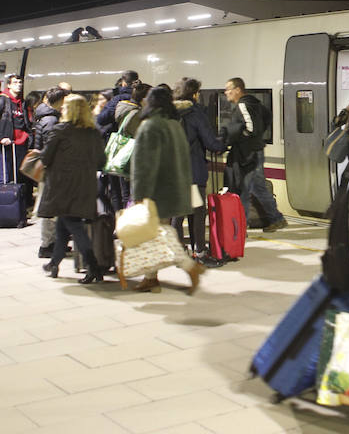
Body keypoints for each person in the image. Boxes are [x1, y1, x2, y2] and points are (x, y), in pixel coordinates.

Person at [126, 85, 204, 292]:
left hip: (155, 191)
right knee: (158, 233)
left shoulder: (149, 126)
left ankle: (188, 267)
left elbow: (143, 164)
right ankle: (151, 277)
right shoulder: (174, 124)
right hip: (173, 189)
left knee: (156, 234)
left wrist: (139, 195)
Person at [38, 95, 107, 283]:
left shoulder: (60, 130)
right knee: (64, 224)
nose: (62, 109)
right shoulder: (93, 132)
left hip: (63, 186)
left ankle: (93, 267)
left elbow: (45, 158)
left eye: (65, 107)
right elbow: (102, 161)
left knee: (75, 227)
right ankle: (54, 263)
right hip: (85, 185)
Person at [222, 78, 286, 232]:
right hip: (255, 151)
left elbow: (250, 128)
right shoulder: (255, 103)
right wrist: (258, 137)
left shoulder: (243, 104)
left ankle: (241, 229)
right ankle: (277, 219)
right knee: (258, 188)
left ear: (238, 89)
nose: (226, 92)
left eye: (229, 89)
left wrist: (241, 138)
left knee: (244, 189)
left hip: (249, 154)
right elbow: (267, 116)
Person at [175, 78, 223, 260]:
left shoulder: (169, 113)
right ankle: (201, 250)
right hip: (193, 172)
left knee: (178, 215)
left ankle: (179, 251)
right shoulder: (195, 114)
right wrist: (222, 142)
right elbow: (210, 142)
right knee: (198, 210)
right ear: (194, 94)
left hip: (175, 172)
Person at [32, 87, 68, 259]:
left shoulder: (44, 116)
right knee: (49, 209)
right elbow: (49, 148)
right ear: (59, 101)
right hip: (51, 169)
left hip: (49, 168)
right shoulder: (51, 120)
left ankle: (53, 242)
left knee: (50, 207)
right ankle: (47, 245)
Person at [0, 73, 33, 205]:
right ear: (8, 85)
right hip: (4, 146)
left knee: (18, 179)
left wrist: (28, 138)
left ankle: (15, 210)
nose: (19, 85)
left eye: (20, 83)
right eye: (15, 83)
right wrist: (1, 138)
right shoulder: (1, 101)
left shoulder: (22, 103)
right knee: (3, 178)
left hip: (20, 145)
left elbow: (26, 123)